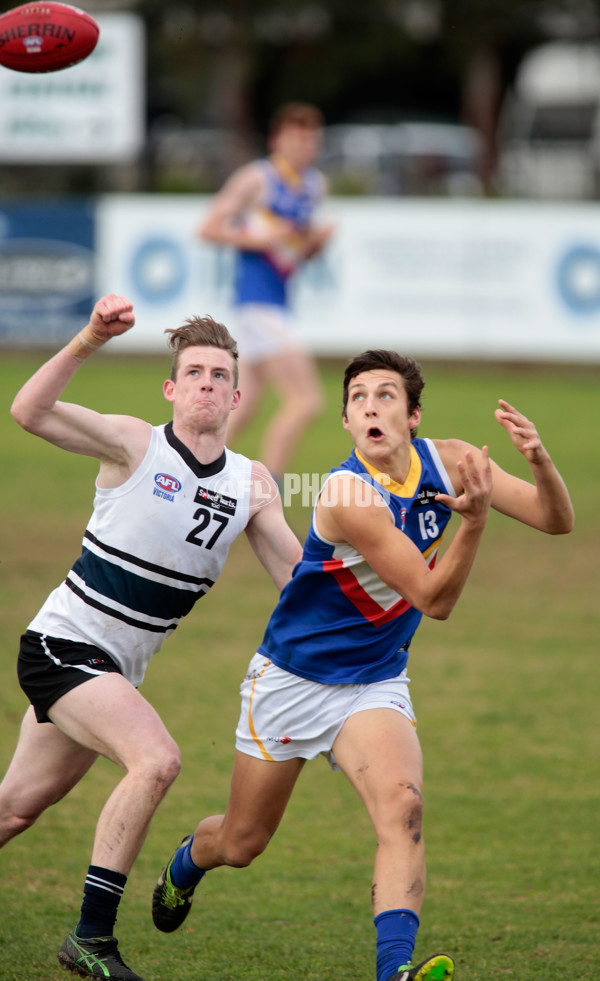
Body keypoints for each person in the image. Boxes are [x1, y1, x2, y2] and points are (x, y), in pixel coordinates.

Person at [152, 349, 574, 981]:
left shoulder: (453, 460)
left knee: (403, 809)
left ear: (413, 415)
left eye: (385, 396)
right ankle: (188, 861)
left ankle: (393, 972)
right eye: (358, 399)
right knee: (242, 842)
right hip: (293, 682)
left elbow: (556, 519)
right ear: (347, 421)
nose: (371, 406)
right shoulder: (347, 494)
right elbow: (434, 600)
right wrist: (475, 524)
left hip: (374, 680)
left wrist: (539, 460)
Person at [0, 293, 302, 981]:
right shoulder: (133, 441)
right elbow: (28, 411)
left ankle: (90, 936)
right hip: (63, 647)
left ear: (236, 395)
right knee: (157, 759)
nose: (206, 383)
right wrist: (88, 338)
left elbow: (295, 575)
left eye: (219, 374)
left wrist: (377, 591)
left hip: (114, 671)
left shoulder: (251, 484)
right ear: (171, 388)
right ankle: (92, 939)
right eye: (193, 372)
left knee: (15, 808)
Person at [197, 101, 335, 482]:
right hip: (255, 304)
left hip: (278, 303)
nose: (305, 147)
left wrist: (316, 243)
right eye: (297, 138)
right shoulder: (256, 179)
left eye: (311, 140)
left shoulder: (314, 186)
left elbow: (294, 254)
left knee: (246, 405)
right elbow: (207, 228)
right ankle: (265, 490)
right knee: (306, 401)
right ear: (277, 140)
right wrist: (255, 238)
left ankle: (190, 472)